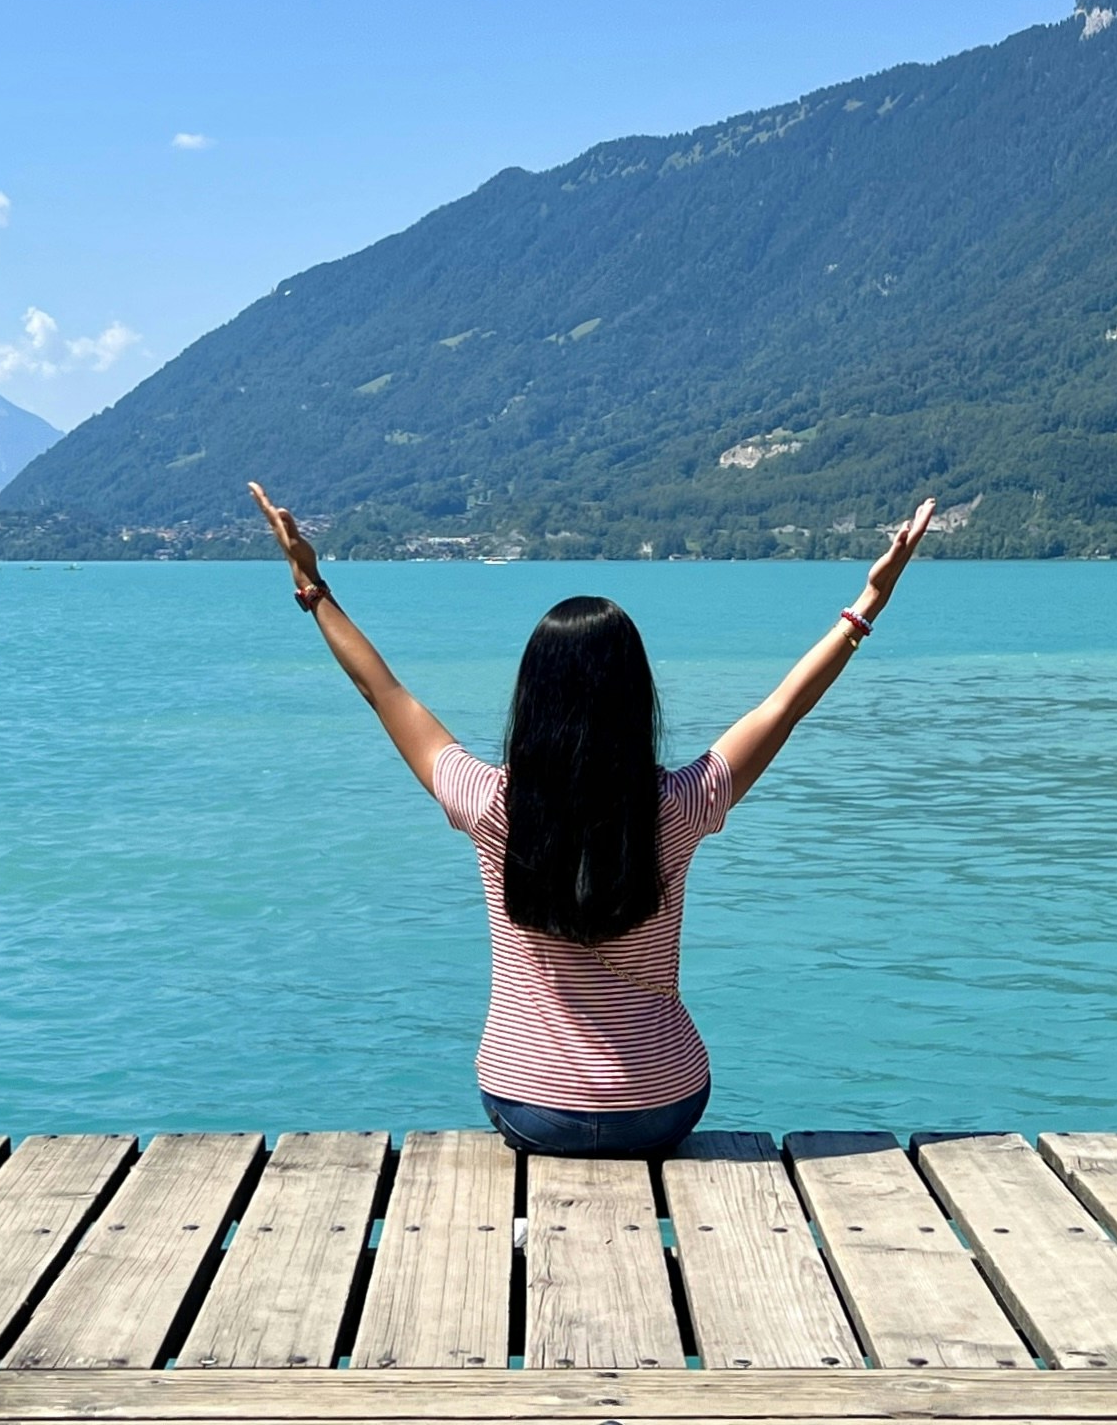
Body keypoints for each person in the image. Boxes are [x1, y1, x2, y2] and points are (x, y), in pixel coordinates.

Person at [248, 482, 939, 1160]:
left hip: (528, 1107)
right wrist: (869, 602)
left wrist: (313, 589)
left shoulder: (491, 804)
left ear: (533, 699)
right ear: (637, 698)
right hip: (661, 1106)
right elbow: (782, 708)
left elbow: (384, 690)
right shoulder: (679, 804)